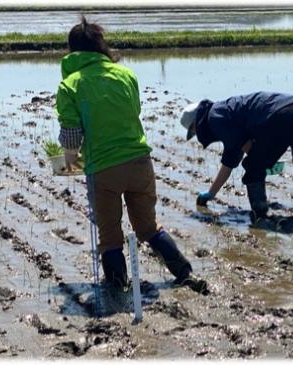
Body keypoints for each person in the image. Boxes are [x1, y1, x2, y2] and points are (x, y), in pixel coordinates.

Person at [55, 16, 206, 292]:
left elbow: (71, 136)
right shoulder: (126, 75)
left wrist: (68, 159)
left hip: (103, 168)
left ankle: (117, 287)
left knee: (110, 234)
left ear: (71, 50)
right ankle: (184, 272)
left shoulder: (71, 85)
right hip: (140, 162)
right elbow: (132, 111)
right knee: (148, 227)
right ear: (101, 46)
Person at [179, 91, 293, 224]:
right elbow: (232, 158)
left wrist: (265, 161)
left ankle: (261, 217)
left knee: (253, 168)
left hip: (282, 116)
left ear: (196, 124)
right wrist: (211, 193)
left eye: (194, 131)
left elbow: (241, 150)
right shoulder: (223, 111)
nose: (197, 135)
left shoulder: (215, 118)